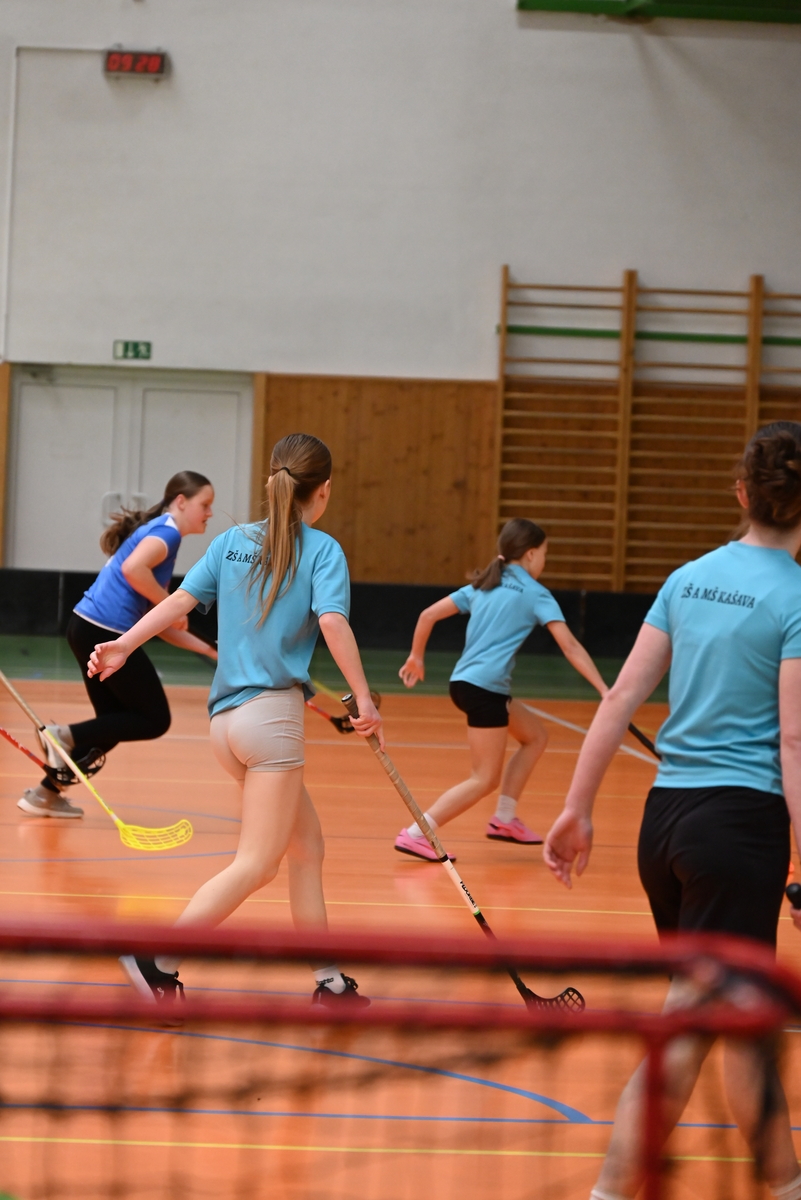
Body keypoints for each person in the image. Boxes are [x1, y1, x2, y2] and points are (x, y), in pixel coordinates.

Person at [544, 421, 801, 1200]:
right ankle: (609, 1192)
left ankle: (784, 1184)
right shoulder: (794, 597)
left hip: (664, 825)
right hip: (736, 832)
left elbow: (621, 697)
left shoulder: (686, 578)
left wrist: (576, 808)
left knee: (739, 1020)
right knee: (690, 1026)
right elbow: (793, 738)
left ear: (740, 492)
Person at [87, 433, 382, 1009]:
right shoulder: (323, 550)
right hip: (271, 724)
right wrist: (364, 701)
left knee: (307, 849)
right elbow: (332, 622)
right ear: (323, 490)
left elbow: (177, 602)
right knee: (257, 864)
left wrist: (124, 644)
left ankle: (329, 982)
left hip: (226, 725)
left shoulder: (231, 541)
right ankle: (156, 961)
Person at [396, 518, 608, 861]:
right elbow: (570, 646)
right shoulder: (536, 594)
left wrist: (416, 657)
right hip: (485, 690)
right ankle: (417, 833)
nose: (544, 561)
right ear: (530, 554)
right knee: (483, 779)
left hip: (466, 683)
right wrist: (604, 689)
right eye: (545, 554)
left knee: (535, 736)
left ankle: (505, 820)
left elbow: (427, 615)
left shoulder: (483, 585)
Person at [18, 471, 218, 819]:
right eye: (205, 504)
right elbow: (133, 569)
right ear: (181, 502)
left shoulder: (161, 533)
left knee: (113, 723)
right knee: (154, 719)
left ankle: (45, 794)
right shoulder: (167, 533)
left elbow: (158, 623)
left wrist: (211, 651)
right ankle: (61, 735)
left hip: (85, 627)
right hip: (105, 632)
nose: (210, 513)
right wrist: (171, 603)